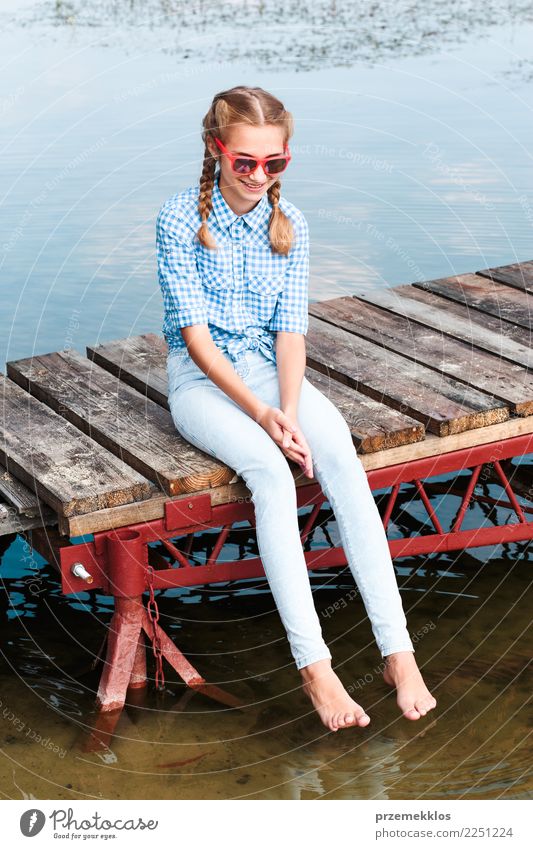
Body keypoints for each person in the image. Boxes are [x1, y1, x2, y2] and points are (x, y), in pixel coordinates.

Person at [156, 85, 436, 732]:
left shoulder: (294, 225)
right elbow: (196, 341)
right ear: (214, 149)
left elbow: (290, 332)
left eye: (272, 164)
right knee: (272, 476)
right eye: (243, 162)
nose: (257, 177)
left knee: (341, 461)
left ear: (286, 158)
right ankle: (316, 667)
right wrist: (262, 417)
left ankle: (397, 653)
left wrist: (288, 406)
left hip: (270, 375)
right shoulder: (178, 220)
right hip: (205, 384)